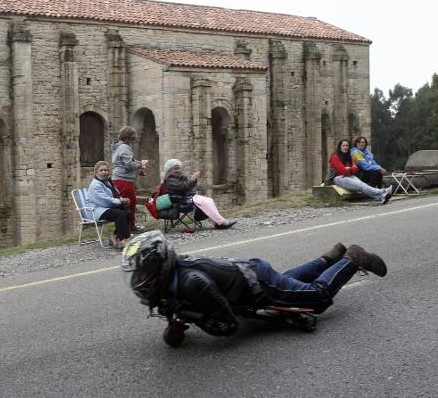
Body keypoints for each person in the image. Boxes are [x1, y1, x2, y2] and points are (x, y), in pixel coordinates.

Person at [121, 230, 387, 336]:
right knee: (287, 282)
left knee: (317, 299)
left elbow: (228, 326)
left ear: (160, 267)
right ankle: (327, 259)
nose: (139, 279)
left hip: (259, 285)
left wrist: (190, 314)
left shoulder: (192, 283)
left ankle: (352, 258)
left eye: (143, 272)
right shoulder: (176, 277)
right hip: (251, 273)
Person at [163, 159, 237, 231]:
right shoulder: (169, 180)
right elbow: (182, 187)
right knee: (206, 202)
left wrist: (193, 180)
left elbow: (188, 186)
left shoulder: (180, 177)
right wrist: (192, 180)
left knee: (209, 200)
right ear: (169, 170)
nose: (177, 170)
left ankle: (218, 222)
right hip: (181, 201)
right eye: (175, 169)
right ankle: (221, 222)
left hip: (188, 197)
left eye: (178, 168)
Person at [329, 139, 393, 204]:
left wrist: (349, 169)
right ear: (340, 147)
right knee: (360, 185)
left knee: (363, 185)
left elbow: (356, 169)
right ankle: (383, 191)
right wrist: (350, 169)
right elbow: (343, 171)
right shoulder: (335, 157)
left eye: (347, 146)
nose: (345, 147)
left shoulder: (348, 156)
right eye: (343, 145)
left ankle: (382, 197)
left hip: (349, 176)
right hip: (338, 178)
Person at [86, 161, 133, 249]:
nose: (104, 172)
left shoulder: (107, 182)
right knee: (120, 214)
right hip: (96, 210)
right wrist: (121, 201)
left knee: (128, 213)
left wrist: (123, 200)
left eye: (106, 170)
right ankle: (123, 240)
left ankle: (115, 236)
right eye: (101, 170)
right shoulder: (95, 184)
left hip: (104, 207)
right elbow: (104, 200)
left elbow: (116, 194)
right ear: (96, 172)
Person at [111, 126, 148, 232]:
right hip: (124, 180)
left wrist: (138, 163)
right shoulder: (124, 148)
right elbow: (128, 165)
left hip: (121, 179)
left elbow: (128, 161)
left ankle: (130, 225)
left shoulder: (118, 147)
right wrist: (141, 165)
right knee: (128, 204)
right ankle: (127, 227)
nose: (133, 141)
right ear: (128, 137)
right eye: (132, 138)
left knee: (130, 203)